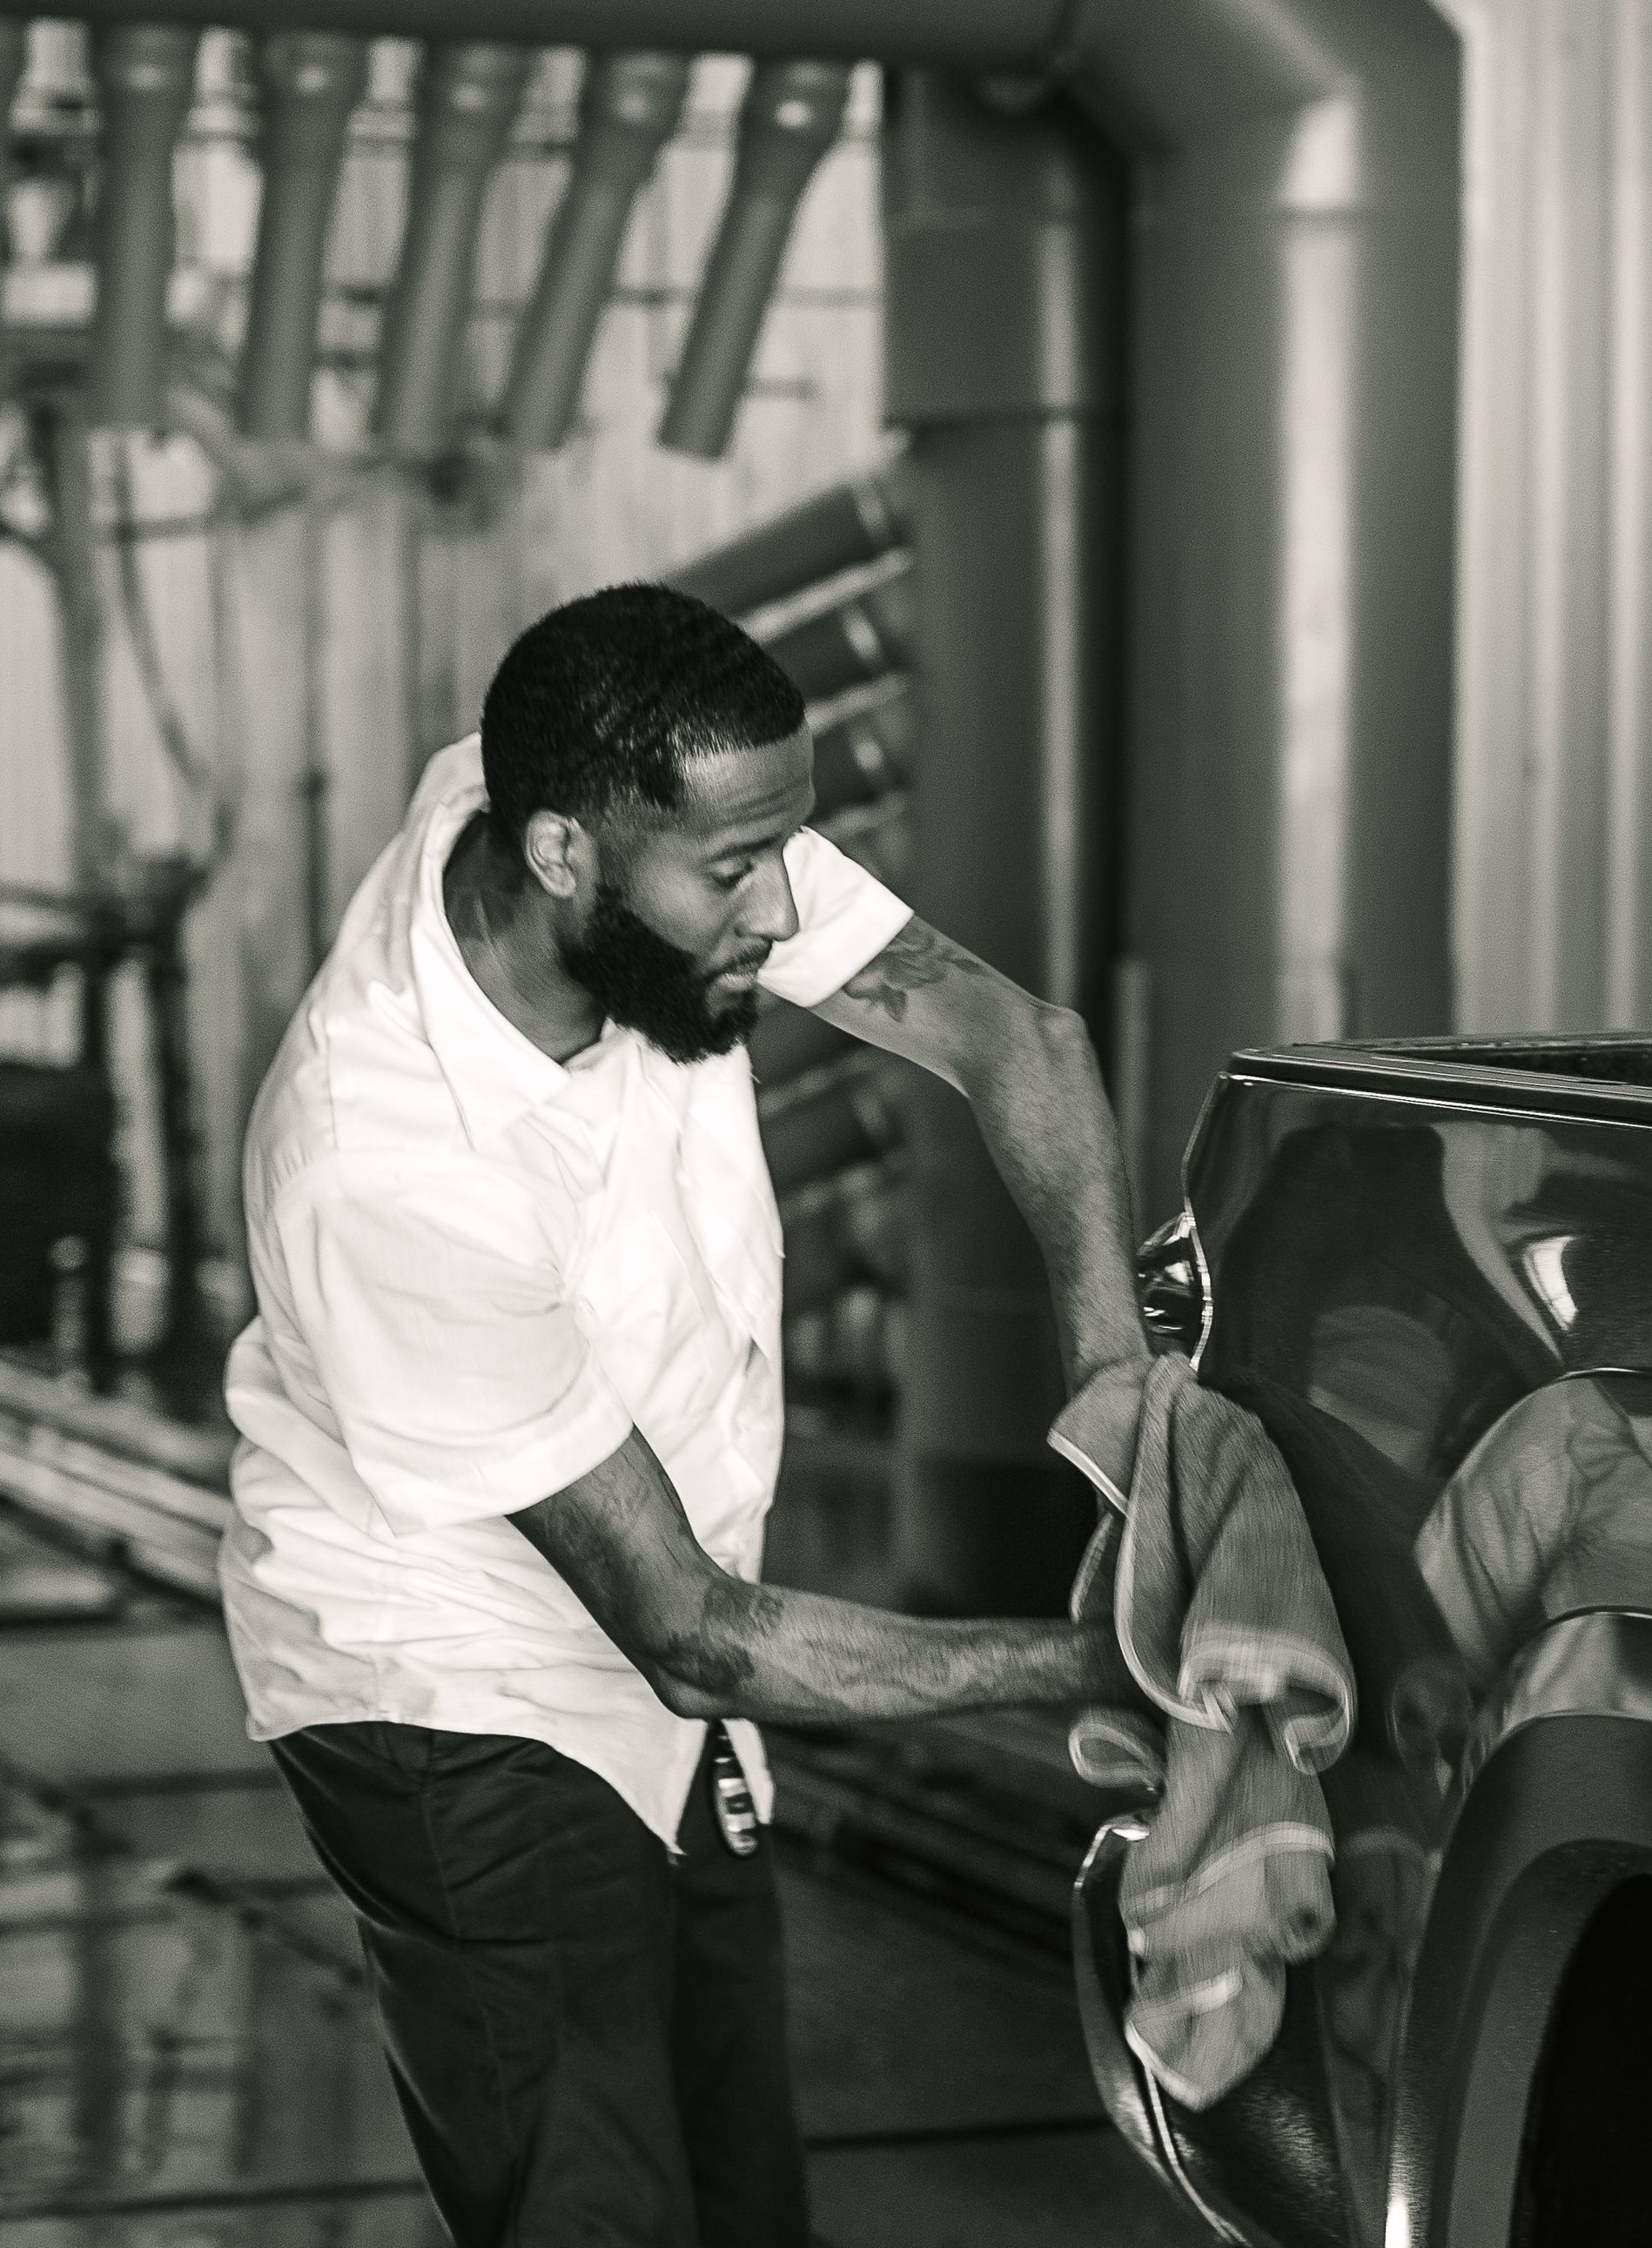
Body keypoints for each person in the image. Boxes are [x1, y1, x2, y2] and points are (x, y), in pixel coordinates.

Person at [220, 583, 1150, 2248]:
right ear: (565, 856)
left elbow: (1024, 1042)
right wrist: (1103, 1661)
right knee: (598, 2212)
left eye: (783, 852)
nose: (781, 908)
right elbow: (698, 1638)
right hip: (452, 1685)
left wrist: (1118, 1391)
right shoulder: (385, 1164)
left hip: (671, 1655)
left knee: (739, 2203)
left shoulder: (631, 820)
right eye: (735, 874)